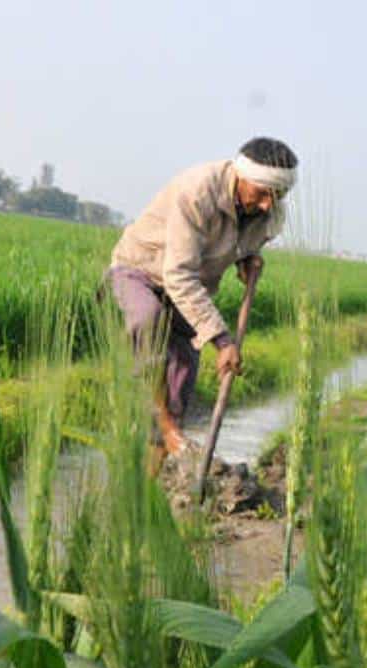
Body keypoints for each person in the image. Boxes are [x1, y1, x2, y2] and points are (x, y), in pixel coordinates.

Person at [104, 137, 298, 454]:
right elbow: (177, 273)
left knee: (180, 381)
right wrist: (222, 342)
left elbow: (242, 243)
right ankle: (163, 427)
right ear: (241, 175)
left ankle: (154, 478)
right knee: (147, 319)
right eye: (262, 193)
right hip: (142, 269)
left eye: (277, 196)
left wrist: (247, 260)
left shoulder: (270, 212)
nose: (267, 204)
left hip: (194, 286)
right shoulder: (197, 191)